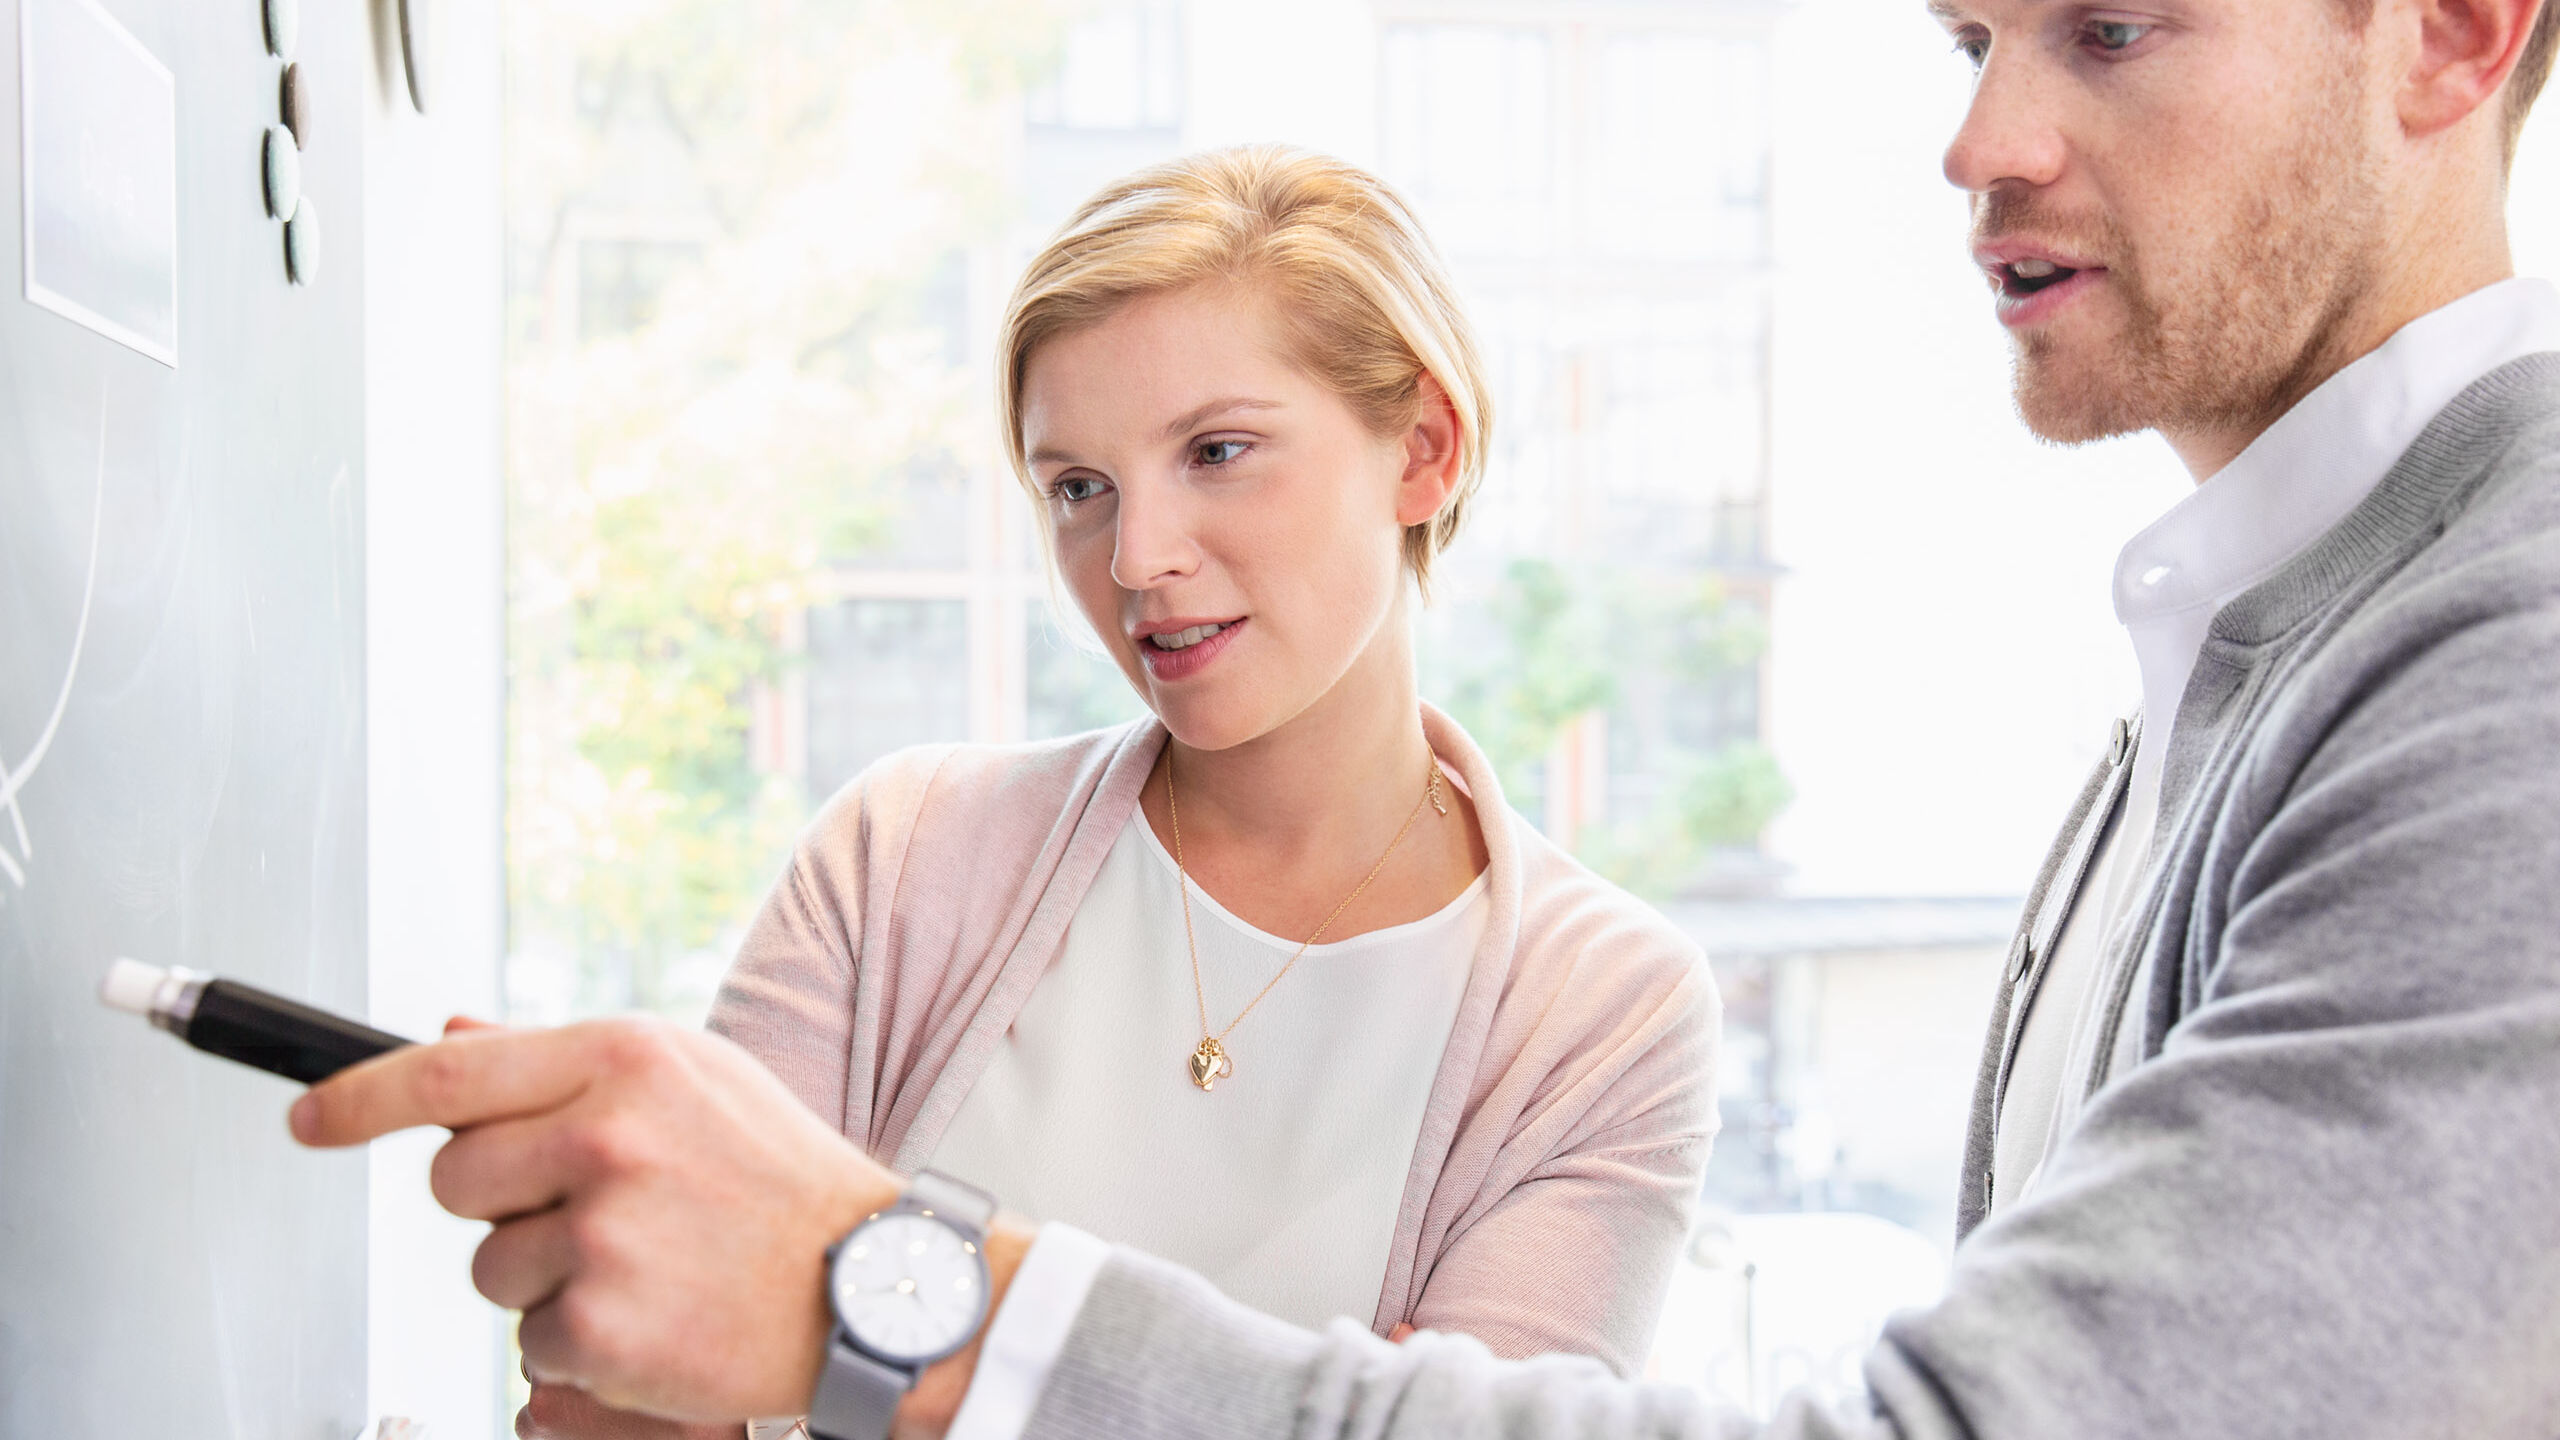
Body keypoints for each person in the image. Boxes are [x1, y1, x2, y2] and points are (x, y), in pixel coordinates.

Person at [293, 0, 2560, 1431]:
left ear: (2450, 33)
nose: (1972, 138)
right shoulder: (2189, 691)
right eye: (1964, 38)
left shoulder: (2503, 651)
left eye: (2104, 28)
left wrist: (871, 1288)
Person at [695, 142, 1716, 1411]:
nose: (1134, 558)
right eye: (1078, 486)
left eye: (1218, 452)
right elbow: (639, 1365)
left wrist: (848, 1351)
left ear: (1423, 451)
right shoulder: (901, 856)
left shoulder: (1600, 1014)